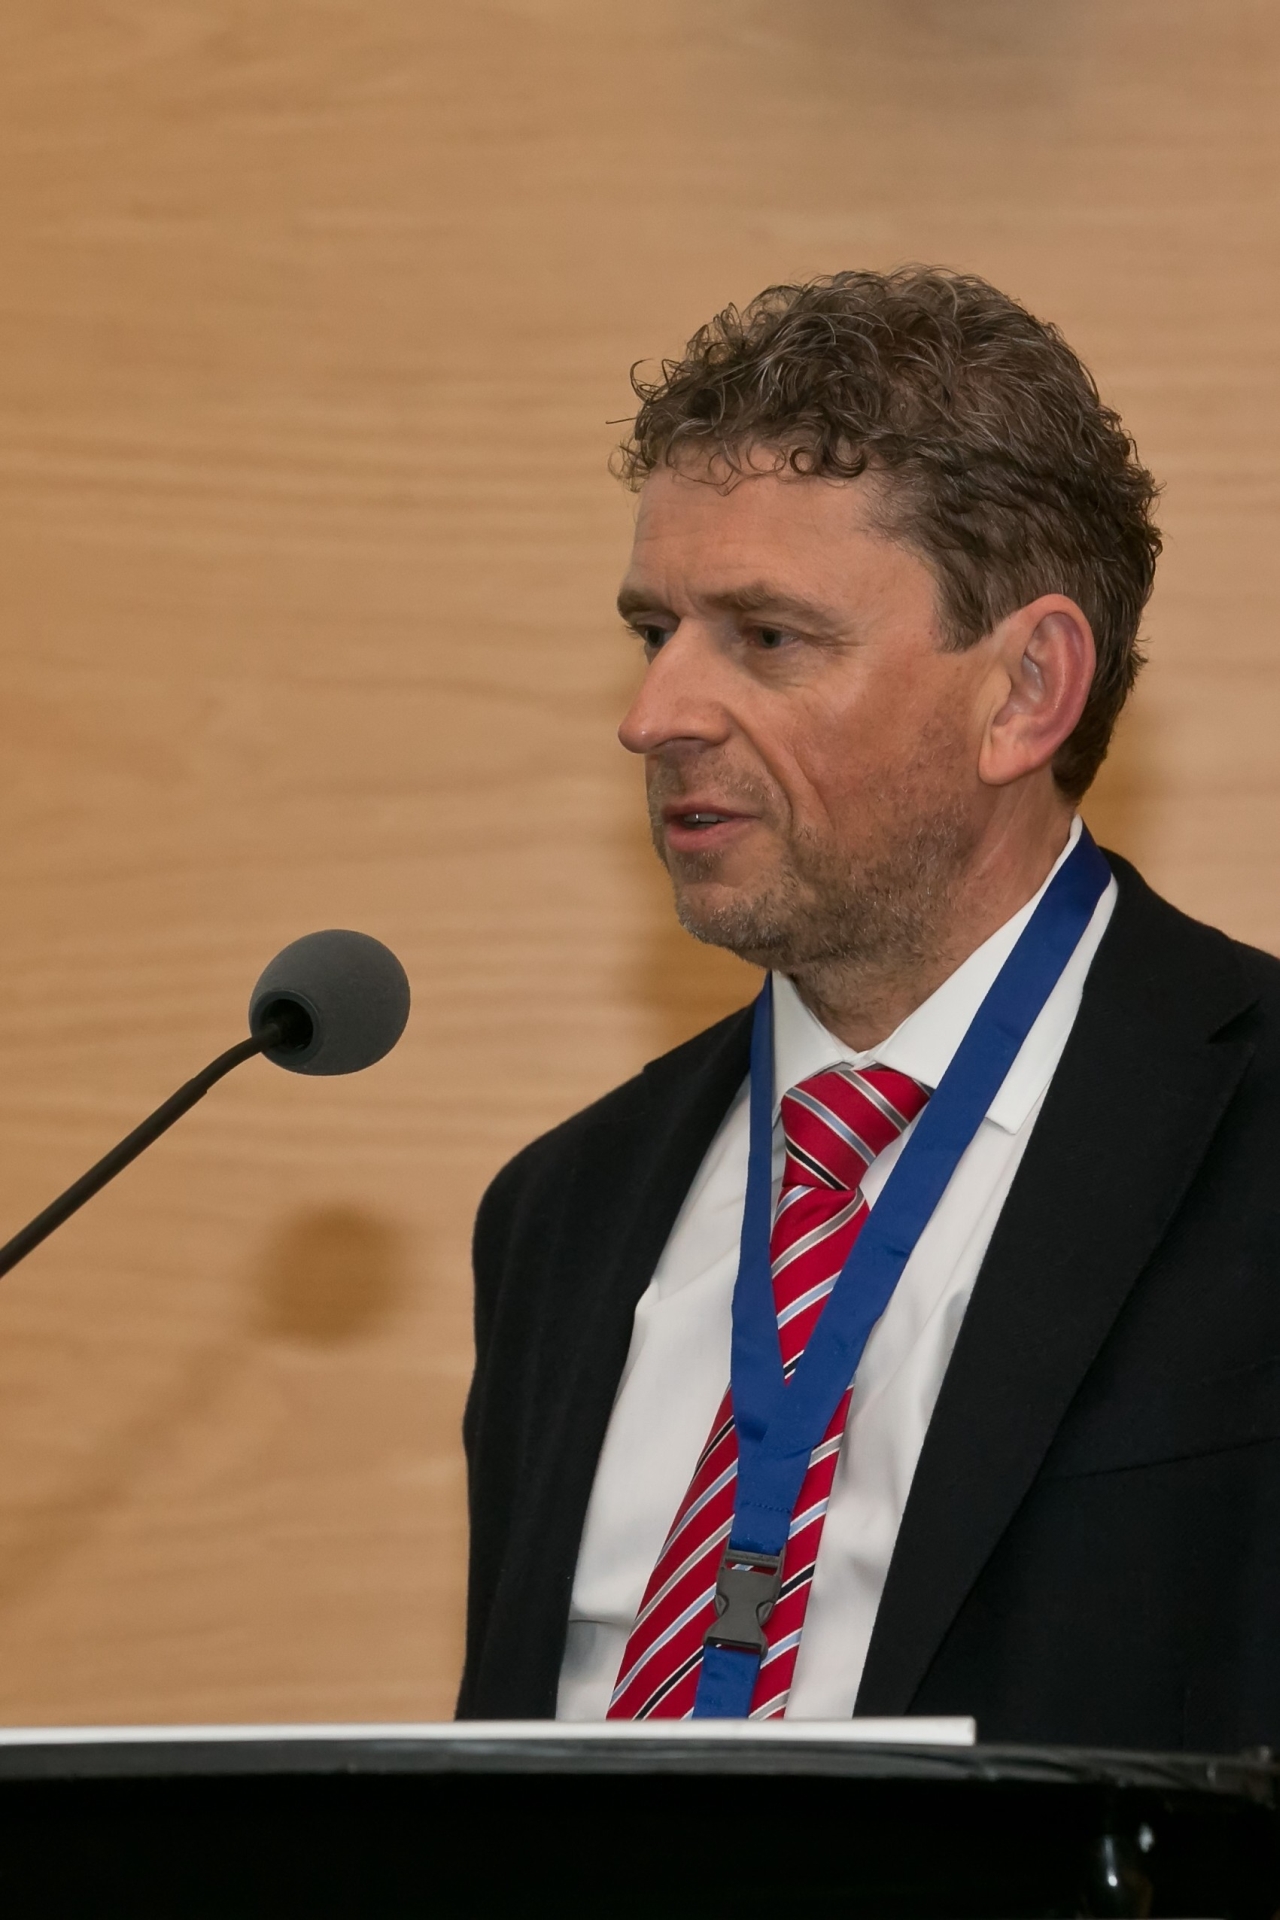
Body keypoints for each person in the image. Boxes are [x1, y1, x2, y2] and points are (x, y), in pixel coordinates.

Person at [457, 268, 1280, 1750]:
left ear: (1025, 690)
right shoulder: (558, 1214)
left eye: (767, 637)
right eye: (655, 632)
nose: (654, 717)